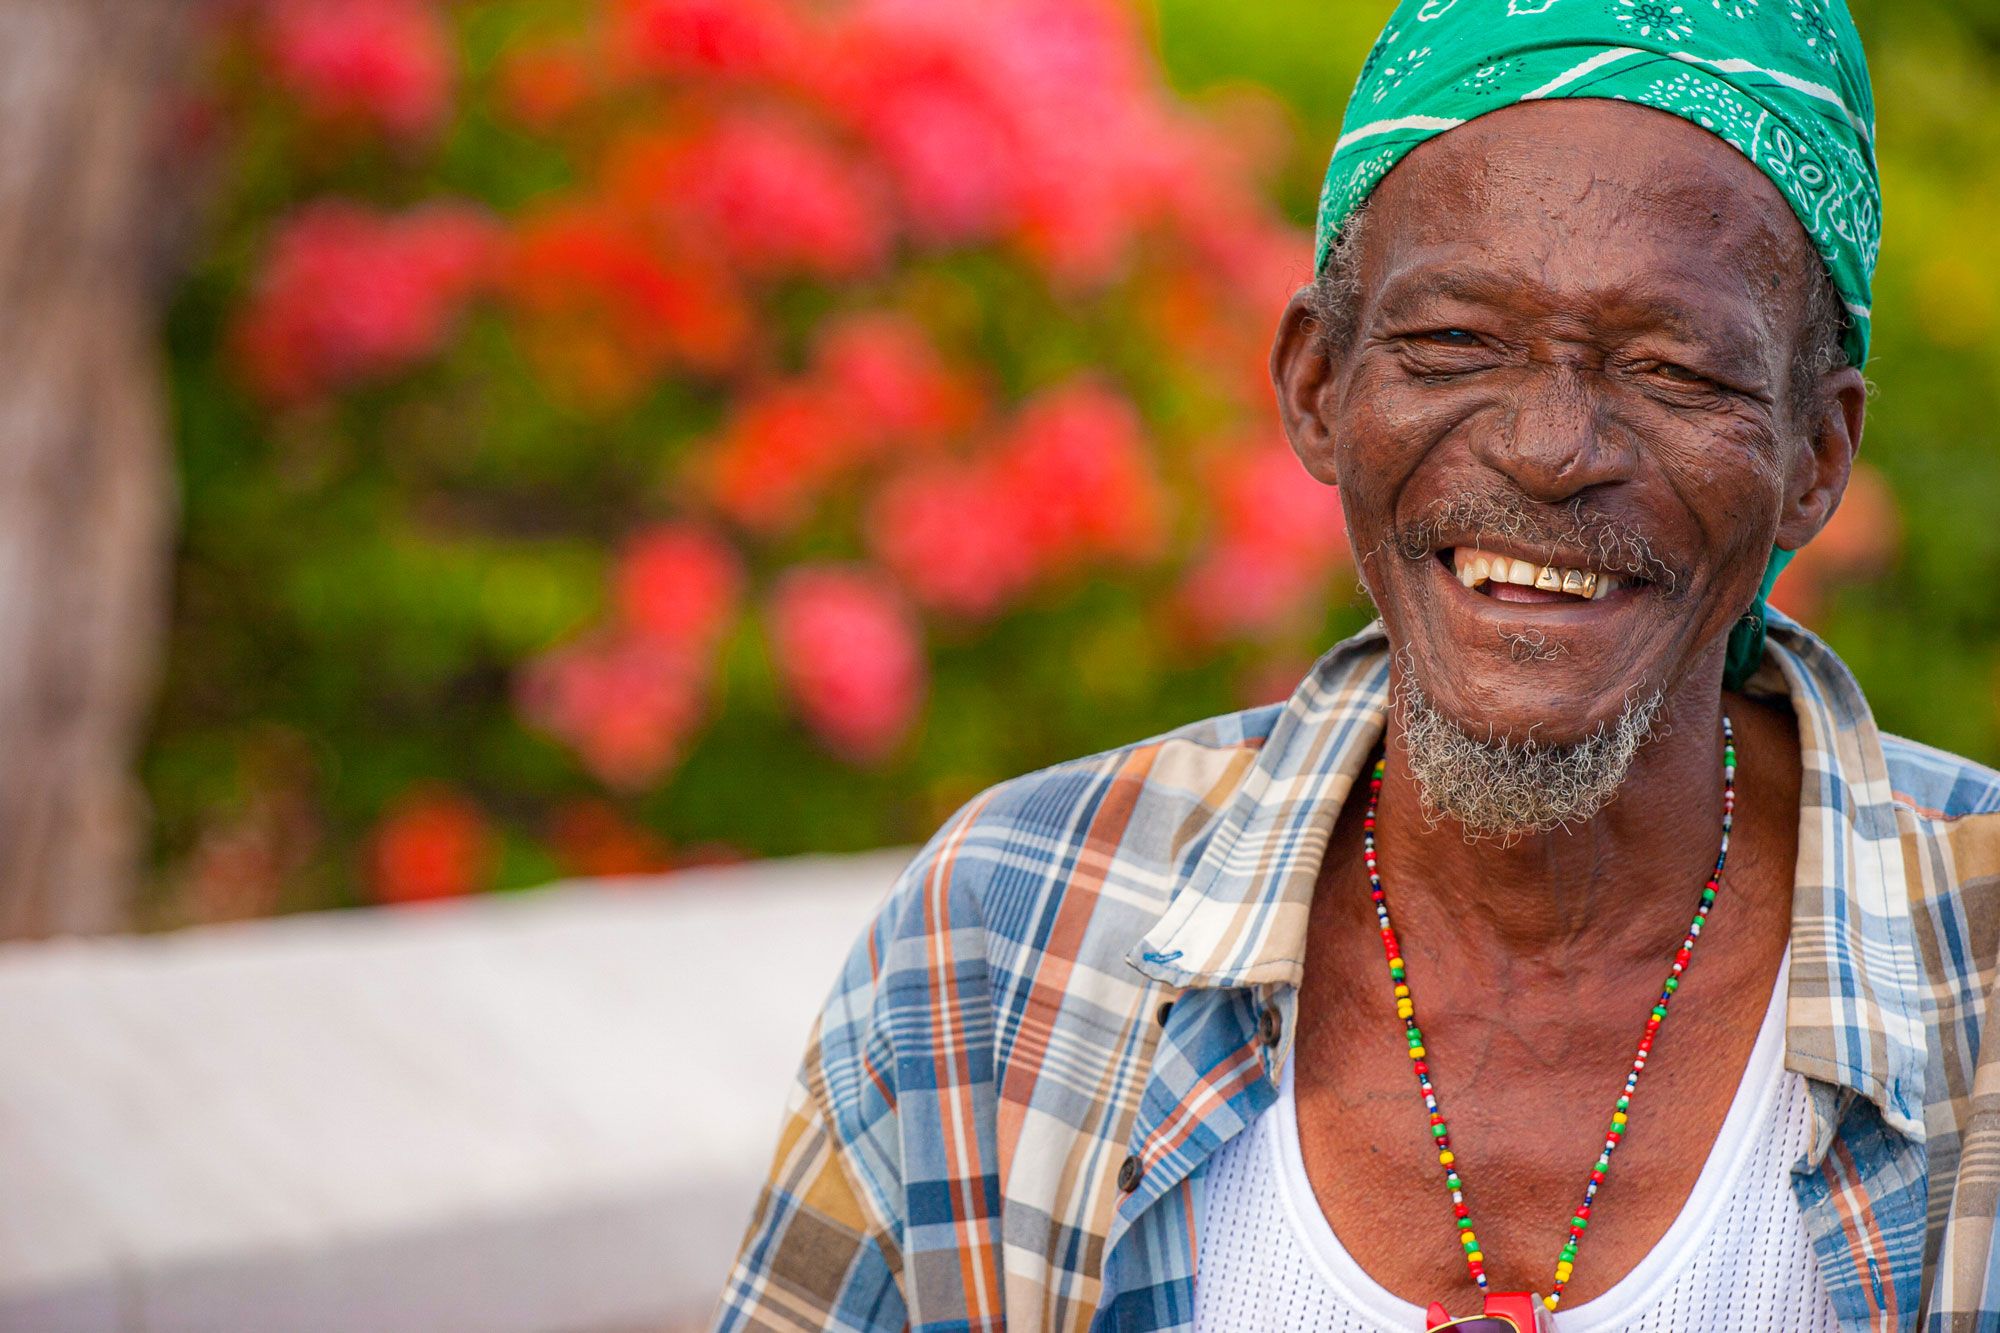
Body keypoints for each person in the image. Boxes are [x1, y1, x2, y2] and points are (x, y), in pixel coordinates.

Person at [712, 2, 2000, 1329]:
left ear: (1816, 454)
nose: (1553, 450)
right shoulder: (1013, 938)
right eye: (1454, 344)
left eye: (1674, 368)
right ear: (1320, 385)